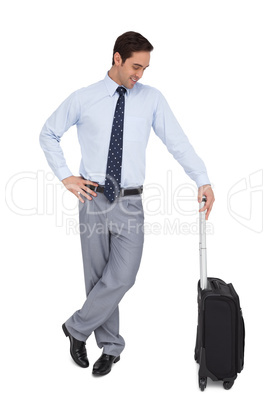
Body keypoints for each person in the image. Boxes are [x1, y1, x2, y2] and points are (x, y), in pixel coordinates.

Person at [39, 31, 215, 376]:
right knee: (97, 277)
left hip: (130, 201)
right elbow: (48, 133)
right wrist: (65, 176)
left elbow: (177, 142)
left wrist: (202, 178)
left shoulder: (152, 99)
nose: (140, 75)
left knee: (122, 276)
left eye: (145, 68)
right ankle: (111, 347)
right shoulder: (84, 97)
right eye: (136, 66)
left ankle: (76, 328)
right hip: (92, 197)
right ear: (117, 58)